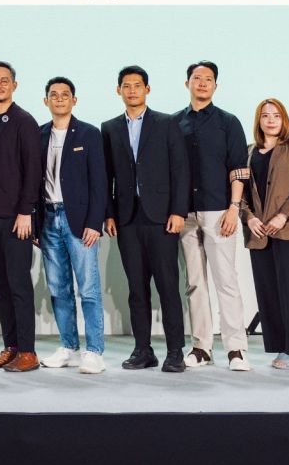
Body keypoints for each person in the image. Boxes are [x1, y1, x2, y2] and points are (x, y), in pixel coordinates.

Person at [102, 65, 190, 374]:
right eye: (126, 86)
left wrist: (178, 211)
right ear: (119, 90)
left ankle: (175, 351)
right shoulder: (109, 128)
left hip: (162, 218)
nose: (132, 90)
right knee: (136, 289)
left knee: (168, 287)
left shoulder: (167, 123)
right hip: (127, 218)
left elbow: (180, 170)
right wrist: (109, 214)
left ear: (147, 89)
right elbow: (106, 176)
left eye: (137, 85)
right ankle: (143, 350)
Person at [174, 60, 252, 372]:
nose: (203, 83)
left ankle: (236, 349)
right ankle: (201, 347)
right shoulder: (174, 123)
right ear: (187, 84)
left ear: (215, 86)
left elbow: (239, 169)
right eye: (197, 78)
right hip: (185, 213)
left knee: (226, 281)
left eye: (208, 79)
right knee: (194, 283)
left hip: (219, 211)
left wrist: (234, 208)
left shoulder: (228, 122)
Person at [0, 61, 43, 373]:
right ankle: (11, 347)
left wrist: (26, 211)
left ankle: (28, 351)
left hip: (16, 219)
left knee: (19, 285)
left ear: (15, 85)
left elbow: (33, 170)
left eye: (4, 80)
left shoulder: (25, 122)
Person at [37, 77, 108, 373]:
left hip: (79, 220)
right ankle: (68, 346)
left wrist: (95, 222)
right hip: (48, 218)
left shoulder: (89, 134)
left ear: (74, 100)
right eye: (53, 95)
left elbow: (100, 182)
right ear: (46, 101)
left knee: (88, 288)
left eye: (65, 94)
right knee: (58, 288)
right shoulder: (39, 134)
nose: (59, 99)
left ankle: (94, 351)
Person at [242, 97, 289, 369]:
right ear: (258, 121)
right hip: (258, 233)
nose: (271, 120)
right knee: (268, 292)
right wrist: (248, 218)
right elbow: (241, 192)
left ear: (284, 120)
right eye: (265, 115)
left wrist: (284, 215)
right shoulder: (249, 152)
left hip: (288, 231)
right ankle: (281, 346)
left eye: (276, 115)